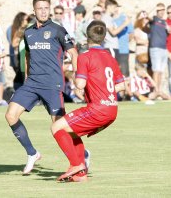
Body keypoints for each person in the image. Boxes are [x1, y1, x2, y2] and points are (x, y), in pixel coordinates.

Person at [5, 0, 78, 175]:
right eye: (40, 8)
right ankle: (32, 153)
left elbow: (74, 53)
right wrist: (27, 77)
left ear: (49, 9)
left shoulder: (58, 30)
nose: (43, 11)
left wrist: (77, 77)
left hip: (52, 84)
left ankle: (81, 155)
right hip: (32, 84)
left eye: (46, 8)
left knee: (60, 127)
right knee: (10, 115)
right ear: (34, 11)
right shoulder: (28, 32)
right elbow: (28, 56)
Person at [51, 20, 125, 183]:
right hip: (112, 110)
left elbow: (80, 84)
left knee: (57, 127)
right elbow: (121, 86)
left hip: (97, 110)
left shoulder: (85, 57)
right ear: (104, 37)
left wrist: (71, 76)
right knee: (72, 131)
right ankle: (80, 174)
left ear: (86, 37)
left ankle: (76, 165)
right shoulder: (110, 58)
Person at [148, 3, 170, 99]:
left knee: (160, 71)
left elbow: (169, 32)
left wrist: (169, 29)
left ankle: (159, 90)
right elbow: (147, 16)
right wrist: (155, 8)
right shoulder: (154, 19)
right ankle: (156, 91)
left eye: (163, 10)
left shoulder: (165, 22)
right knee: (156, 70)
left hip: (163, 48)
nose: (161, 12)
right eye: (160, 10)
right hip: (155, 48)